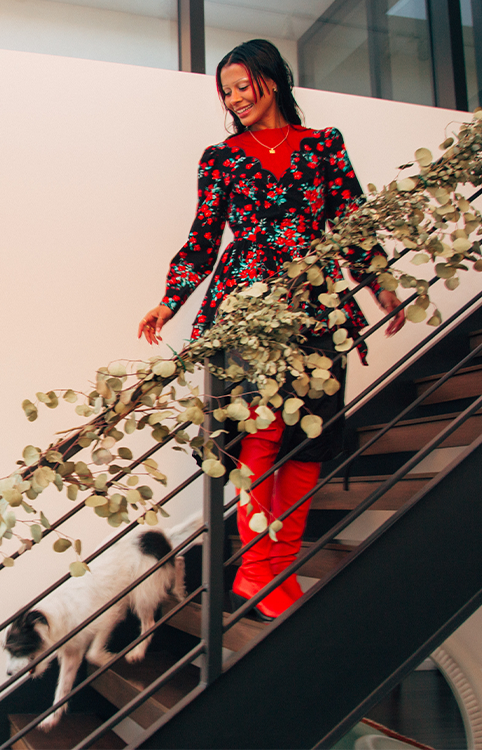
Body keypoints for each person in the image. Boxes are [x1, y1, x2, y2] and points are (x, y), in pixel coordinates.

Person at [136, 39, 405, 620]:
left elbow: (353, 221)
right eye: (226, 93)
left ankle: (275, 571)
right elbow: (204, 238)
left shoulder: (325, 146)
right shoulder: (221, 158)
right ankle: (257, 570)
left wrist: (380, 282)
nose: (234, 101)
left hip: (314, 304)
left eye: (242, 87)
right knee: (259, 432)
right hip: (246, 305)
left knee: (308, 437)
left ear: (272, 81)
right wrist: (170, 301)